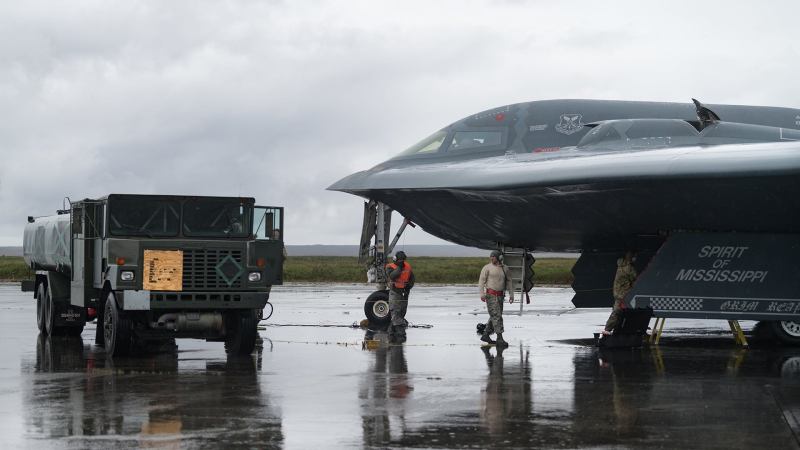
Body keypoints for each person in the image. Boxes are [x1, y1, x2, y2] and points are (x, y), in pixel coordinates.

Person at [478, 250, 514, 347]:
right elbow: (481, 281)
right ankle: (500, 338)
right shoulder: (487, 268)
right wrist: (482, 294)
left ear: (499, 258)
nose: (491, 258)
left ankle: (486, 335)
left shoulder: (505, 268)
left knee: (495, 315)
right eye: (491, 257)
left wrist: (511, 295)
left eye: (493, 257)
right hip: (491, 296)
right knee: (497, 316)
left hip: (501, 296)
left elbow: (509, 281)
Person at [602, 251, 638, 335]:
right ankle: (608, 329)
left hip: (618, 292)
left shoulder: (621, 265)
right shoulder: (629, 268)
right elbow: (635, 278)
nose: (635, 258)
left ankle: (613, 328)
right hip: (624, 294)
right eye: (634, 256)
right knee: (618, 311)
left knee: (618, 311)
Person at [385, 251, 414, 343]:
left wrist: (409, 286)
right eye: (399, 260)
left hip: (404, 292)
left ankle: (391, 332)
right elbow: (392, 276)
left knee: (401, 312)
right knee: (395, 312)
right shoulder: (390, 266)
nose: (401, 262)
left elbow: (412, 278)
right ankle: (400, 333)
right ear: (395, 259)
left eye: (402, 260)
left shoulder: (408, 266)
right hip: (395, 291)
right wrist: (399, 268)